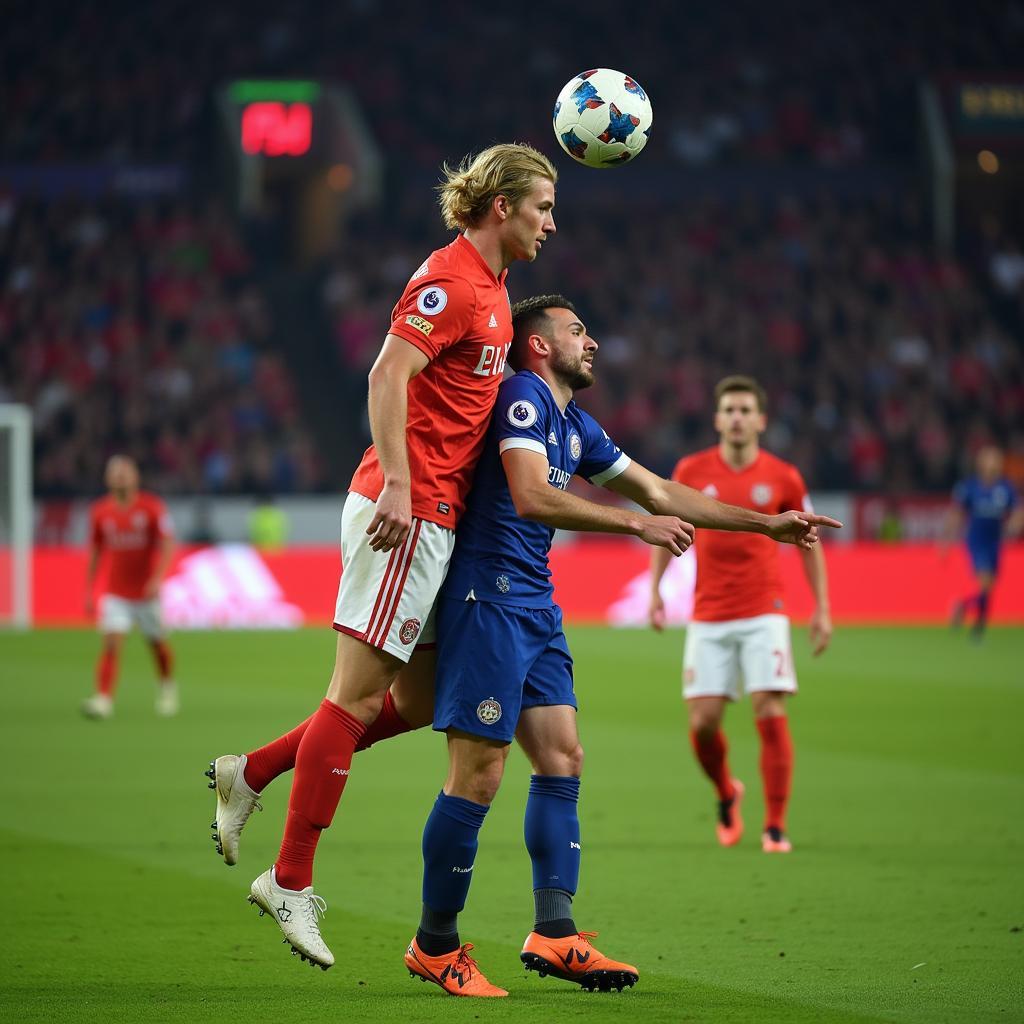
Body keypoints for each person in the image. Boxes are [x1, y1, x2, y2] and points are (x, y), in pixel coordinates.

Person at [403, 299, 842, 997]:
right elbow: (529, 497)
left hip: (535, 605)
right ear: (540, 346)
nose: (594, 343)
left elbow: (662, 491)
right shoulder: (520, 397)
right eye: (578, 332)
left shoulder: (576, 426)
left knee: (562, 755)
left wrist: (767, 525)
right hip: (487, 598)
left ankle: (555, 931)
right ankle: (435, 944)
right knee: (478, 775)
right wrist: (636, 527)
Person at [207, 143, 559, 970]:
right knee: (356, 698)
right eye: (541, 205)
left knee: (422, 694)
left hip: (438, 518)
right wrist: (400, 482)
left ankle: (250, 772)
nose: (551, 222)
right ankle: (289, 881)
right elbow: (384, 373)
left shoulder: (499, 291)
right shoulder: (452, 281)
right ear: (500, 205)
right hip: (406, 511)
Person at [647, 376, 832, 855]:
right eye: (729, 409)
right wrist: (655, 590)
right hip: (709, 613)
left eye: (745, 410)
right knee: (703, 724)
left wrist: (821, 609)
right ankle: (727, 791)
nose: (736, 417)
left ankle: (774, 825)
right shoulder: (692, 468)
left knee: (769, 710)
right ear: (716, 419)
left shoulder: (784, 476)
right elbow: (669, 525)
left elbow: (810, 544)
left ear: (761, 420)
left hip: (764, 610)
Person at [81, 455, 178, 719]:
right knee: (111, 643)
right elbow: (96, 552)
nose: (120, 477)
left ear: (135, 477)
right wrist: (90, 590)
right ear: (107, 478)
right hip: (116, 593)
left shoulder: (151, 508)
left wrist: (158, 578)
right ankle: (103, 699)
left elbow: (168, 544)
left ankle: (167, 687)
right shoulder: (100, 512)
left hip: (146, 593)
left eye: (125, 472)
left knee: (156, 644)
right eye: (115, 473)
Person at [945, 445, 1022, 640]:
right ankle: (978, 628)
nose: (995, 463)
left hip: (995, 541)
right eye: (991, 459)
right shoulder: (969, 486)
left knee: (988, 588)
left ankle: (965, 610)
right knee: (985, 583)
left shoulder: (1005, 487)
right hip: (976, 540)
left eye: (997, 460)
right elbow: (957, 513)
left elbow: (1019, 510)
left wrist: (1014, 524)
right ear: (981, 464)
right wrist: (946, 539)